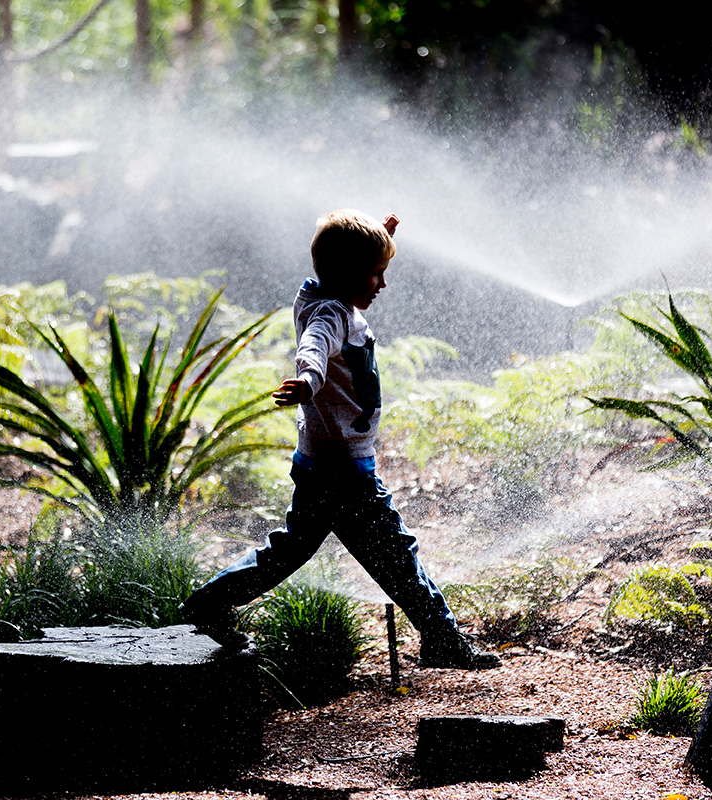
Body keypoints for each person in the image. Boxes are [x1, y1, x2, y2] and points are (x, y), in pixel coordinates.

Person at [181, 208, 501, 670]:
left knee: (297, 550)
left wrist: (380, 241)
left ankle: (208, 605)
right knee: (393, 551)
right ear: (342, 271)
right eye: (376, 274)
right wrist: (308, 381)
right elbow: (313, 347)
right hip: (342, 469)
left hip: (327, 462)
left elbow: (342, 282)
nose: (382, 285)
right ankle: (442, 639)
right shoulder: (330, 315)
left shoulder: (326, 296)